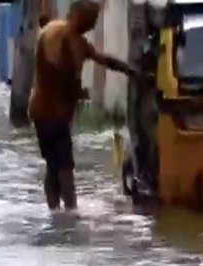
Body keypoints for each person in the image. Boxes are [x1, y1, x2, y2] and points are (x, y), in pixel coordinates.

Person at [28, 0, 142, 212]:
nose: (93, 25)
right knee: (64, 167)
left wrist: (128, 70)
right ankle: (70, 214)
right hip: (52, 114)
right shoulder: (62, 38)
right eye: (91, 20)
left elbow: (104, 60)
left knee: (53, 165)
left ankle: (55, 213)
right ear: (80, 17)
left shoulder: (65, 37)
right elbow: (59, 75)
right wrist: (77, 90)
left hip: (43, 114)